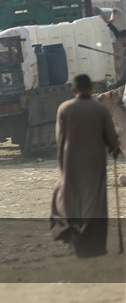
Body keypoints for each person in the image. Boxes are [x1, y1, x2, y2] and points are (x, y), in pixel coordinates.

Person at [50, 74, 120, 258]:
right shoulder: (100, 109)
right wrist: (114, 149)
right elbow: (112, 138)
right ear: (91, 89)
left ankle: (70, 234)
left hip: (69, 161)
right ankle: (91, 246)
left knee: (67, 198)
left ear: (74, 90)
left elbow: (60, 137)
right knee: (93, 202)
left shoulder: (64, 108)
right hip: (94, 162)